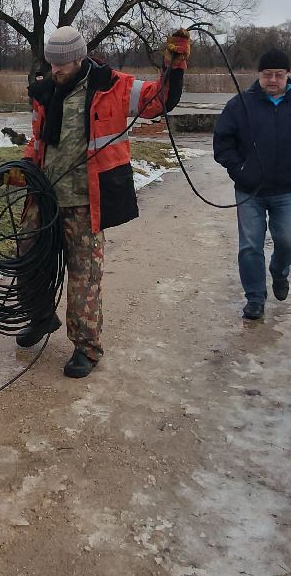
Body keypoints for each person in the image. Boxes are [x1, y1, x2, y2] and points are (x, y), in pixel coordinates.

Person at [14, 25, 190, 377]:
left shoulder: (114, 85)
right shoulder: (45, 91)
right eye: (52, 64)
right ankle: (41, 316)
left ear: (78, 58)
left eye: (61, 64)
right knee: (27, 258)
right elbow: (39, 140)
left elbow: (160, 99)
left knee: (84, 276)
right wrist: (24, 166)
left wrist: (176, 60)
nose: (55, 71)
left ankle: (86, 348)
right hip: (45, 197)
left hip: (85, 200)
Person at [212, 48, 291, 320]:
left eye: (279, 74)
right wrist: (239, 169)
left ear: (288, 75)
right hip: (249, 190)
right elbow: (222, 143)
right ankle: (255, 298)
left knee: (290, 241)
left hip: (289, 189)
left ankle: (279, 271)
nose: (273, 80)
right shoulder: (240, 104)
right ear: (259, 75)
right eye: (267, 74)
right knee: (250, 246)